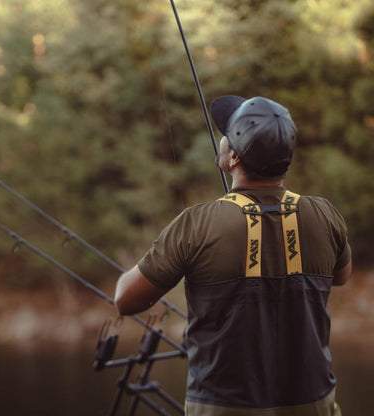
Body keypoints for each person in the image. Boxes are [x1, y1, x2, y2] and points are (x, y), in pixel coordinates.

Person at [115, 95, 352, 416]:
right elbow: (341, 276)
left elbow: (126, 300)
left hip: (222, 407)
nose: (222, 139)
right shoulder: (326, 215)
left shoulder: (195, 224)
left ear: (235, 156)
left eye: (227, 133)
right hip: (315, 404)